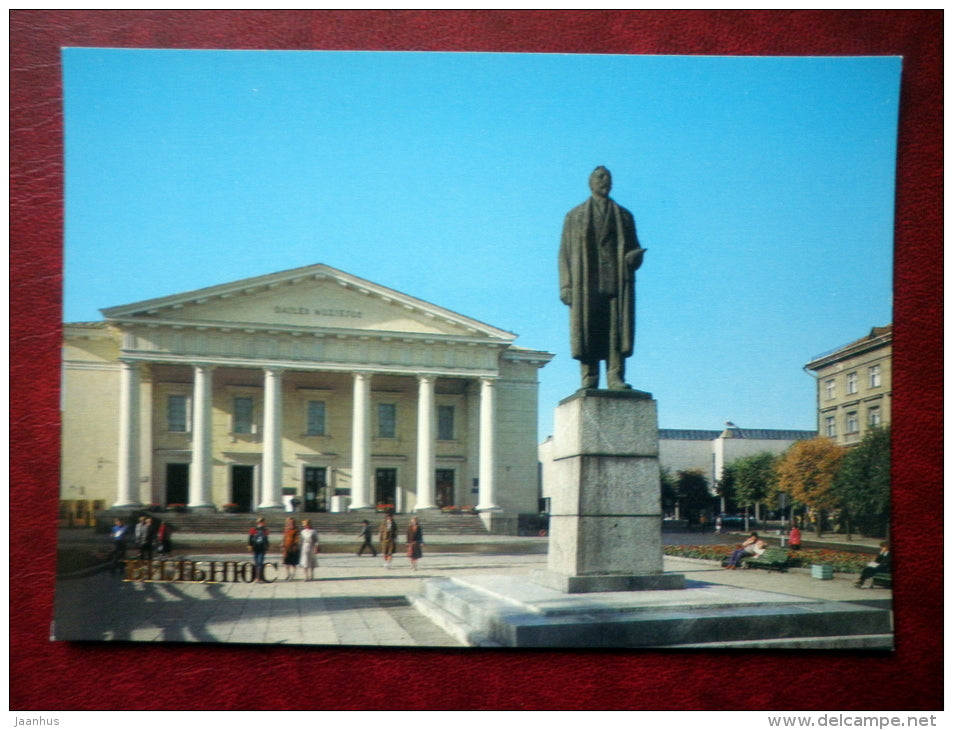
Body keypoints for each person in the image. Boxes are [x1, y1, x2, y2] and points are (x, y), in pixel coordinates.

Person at [559, 166, 647, 390]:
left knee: (615, 331)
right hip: (586, 283)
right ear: (591, 183)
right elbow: (564, 254)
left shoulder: (625, 216)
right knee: (589, 329)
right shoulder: (574, 216)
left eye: (608, 178)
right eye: (600, 178)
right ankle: (589, 377)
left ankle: (615, 376)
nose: (604, 181)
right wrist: (566, 285)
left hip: (616, 282)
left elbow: (634, 248)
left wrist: (633, 258)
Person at [248, 518, 270, 583]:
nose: (265, 523)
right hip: (256, 548)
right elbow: (250, 538)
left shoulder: (265, 530)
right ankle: (257, 577)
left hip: (261, 548)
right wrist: (250, 545)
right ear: (260, 523)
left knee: (260, 563)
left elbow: (266, 539)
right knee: (257, 563)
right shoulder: (253, 529)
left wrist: (267, 546)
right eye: (264, 522)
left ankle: (258, 577)